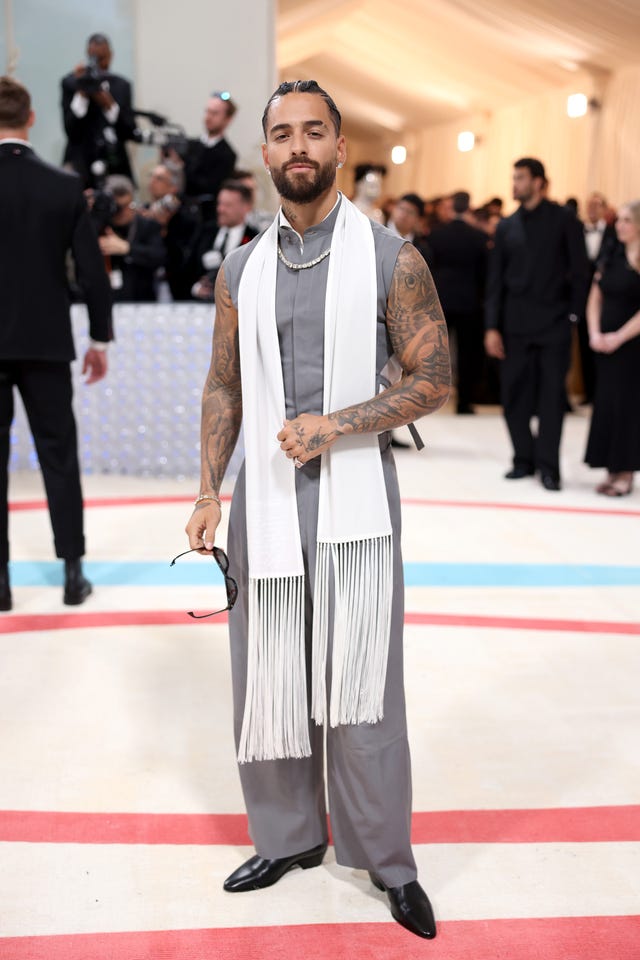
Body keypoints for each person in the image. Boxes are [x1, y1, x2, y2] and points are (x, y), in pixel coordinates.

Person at [183, 80, 450, 939]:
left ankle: (387, 860)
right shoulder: (241, 268)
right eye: (282, 133)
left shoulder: (392, 258)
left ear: (339, 145)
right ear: (264, 150)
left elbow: (434, 379)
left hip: (356, 502)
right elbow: (224, 382)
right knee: (267, 674)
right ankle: (288, 836)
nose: (298, 146)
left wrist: (338, 424)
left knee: (364, 682)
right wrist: (206, 491)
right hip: (264, 503)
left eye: (314, 131)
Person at [0, 76, 112, 611]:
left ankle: (0, 585)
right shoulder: (63, 187)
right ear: (31, 119)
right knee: (59, 458)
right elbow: (92, 271)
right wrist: (99, 339)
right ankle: (72, 573)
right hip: (47, 343)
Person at [484, 158, 590, 490]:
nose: (514, 184)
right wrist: (491, 326)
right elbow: (495, 280)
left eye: (520, 178)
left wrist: (573, 316)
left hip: (554, 325)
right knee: (513, 396)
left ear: (539, 182)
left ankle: (548, 467)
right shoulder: (507, 225)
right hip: (514, 326)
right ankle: (523, 459)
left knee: (551, 400)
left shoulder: (565, 219)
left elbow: (581, 272)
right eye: (514, 177)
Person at [584, 200, 640, 496]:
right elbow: (595, 298)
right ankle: (610, 467)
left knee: (628, 407)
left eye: (627, 220)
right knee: (606, 404)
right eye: (619, 220)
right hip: (605, 344)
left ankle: (626, 471)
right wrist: (595, 332)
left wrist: (619, 337)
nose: (620, 225)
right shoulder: (610, 256)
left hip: (632, 346)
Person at [427, 191, 488, 413]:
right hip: (469, 301)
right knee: (467, 353)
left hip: (441, 299)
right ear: (469, 207)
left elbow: (429, 267)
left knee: (437, 352)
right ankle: (464, 401)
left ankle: (431, 398)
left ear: (452, 207)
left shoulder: (436, 235)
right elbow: (484, 273)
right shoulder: (478, 237)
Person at [61, 33, 136, 188]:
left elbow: (128, 130)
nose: (98, 65)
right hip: (80, 163)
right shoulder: (70, 84)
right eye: (94, 58)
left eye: (102, 58)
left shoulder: (122, 86)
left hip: (114, 163)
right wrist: (82, 91)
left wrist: (108, 104)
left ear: (110, 56)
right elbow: (70, 129)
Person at [96, 175, 166, 302]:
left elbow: (159, 256)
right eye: (118, 207)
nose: (124, 212)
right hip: (105, 297)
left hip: (141, 297)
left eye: (129, 205)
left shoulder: (147, 225)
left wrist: (128, 249)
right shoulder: (99, 227)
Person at [189, 181, 258, 300]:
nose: (220, 209)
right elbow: (187, 268)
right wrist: (196, 288)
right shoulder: (205, 232)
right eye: (219, 203)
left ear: (246, 207)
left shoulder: (255, 240)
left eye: (228, 205)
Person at [579, 192, 618, 403]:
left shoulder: (614, 233)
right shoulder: (577, 232)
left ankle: (604, 393)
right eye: (589, 205)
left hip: (608, 299)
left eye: (596, 205)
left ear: (604, 208)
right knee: (585, 346)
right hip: (582, 299)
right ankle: (588, 392)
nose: (592, 209)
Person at [142, 163, 199, 301]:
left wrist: (164, 226)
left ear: (173, 187)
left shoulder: (186, 216)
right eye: (151, 176)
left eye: (159, 178)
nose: (152, 181)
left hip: (178, 285)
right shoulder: (144, 212)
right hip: (145, 283)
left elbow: (184, 255)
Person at [177, 93, 238, 219]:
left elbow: (210, 188)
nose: (208, 117)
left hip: (204, 217)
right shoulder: (190, 145)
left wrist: (182, 167)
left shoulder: (227, 155)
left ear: (227, 119)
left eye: (214, 113)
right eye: (207, 112)